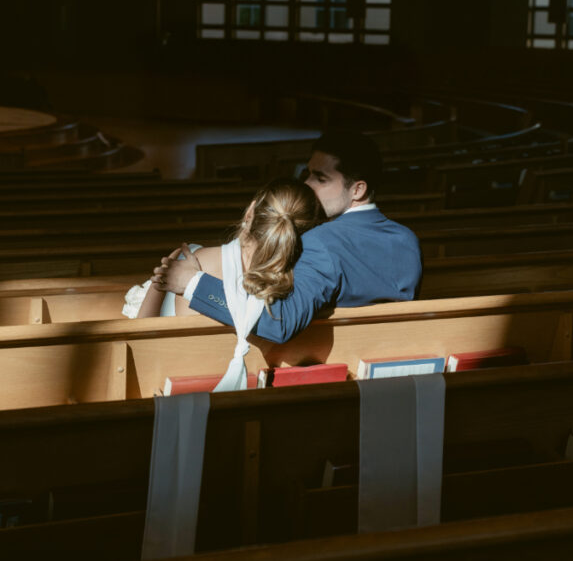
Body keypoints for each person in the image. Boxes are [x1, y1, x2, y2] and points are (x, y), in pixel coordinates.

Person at [152, 131, 422, 344]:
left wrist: (192, 283)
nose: (307, 185)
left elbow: (279, 324)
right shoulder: (407, 240)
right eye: (307, 173)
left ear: (358, 189)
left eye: (321, 178)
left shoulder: (319, 242)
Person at [126, 178, 321, 390]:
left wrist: (165, 283)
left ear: (250, 213)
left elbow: (139, 339)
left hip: (174, 394)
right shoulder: (298, 292)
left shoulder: (190, 262)